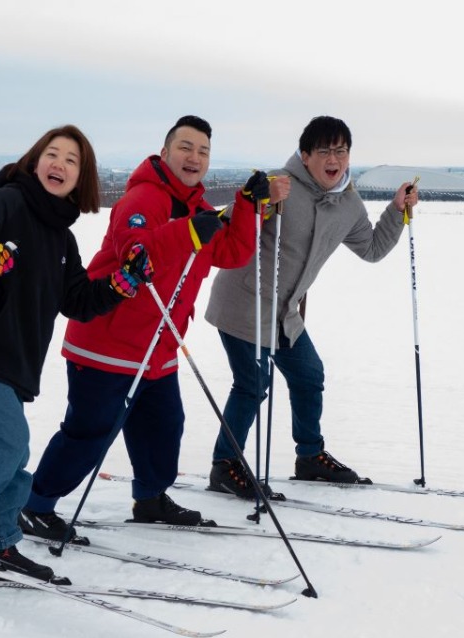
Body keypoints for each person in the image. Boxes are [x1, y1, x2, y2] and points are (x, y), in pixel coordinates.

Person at [19, 115, 289, 541]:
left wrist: (248, 207)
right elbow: (137, 253)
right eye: (185, 147)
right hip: (107, 344)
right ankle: (34, 504)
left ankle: (150, 498)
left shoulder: (200, 210)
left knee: (164, 426)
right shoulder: (142, 199)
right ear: (164, 153)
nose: (194, 157)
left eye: (202, 151)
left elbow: (234, 251)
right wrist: (194, 231)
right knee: (90, 433)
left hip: (158, 349)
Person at [0, 125, 154, 580]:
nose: (59, 164)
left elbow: (77, 300)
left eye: (72, 160)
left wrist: (121, 286)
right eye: (53, 154)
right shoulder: (7, 201)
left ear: (82, 178)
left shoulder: (61, 237)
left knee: (15, 453)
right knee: (1, 448)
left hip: (13, 360)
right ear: (35, 160)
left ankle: (1, 544)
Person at [203, 115, 420, 498]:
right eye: (324, 150)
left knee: (308, 375)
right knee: (252, 384)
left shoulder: (348, 204)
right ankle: (225, 465)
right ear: (305, 156)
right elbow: (236, 227)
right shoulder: (278, 186)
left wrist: (396, 209)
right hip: (244, 305)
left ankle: (310, 457)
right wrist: (259, 199)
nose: (334, 158)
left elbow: (371, 249)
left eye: (341, 150)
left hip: (286, 314)